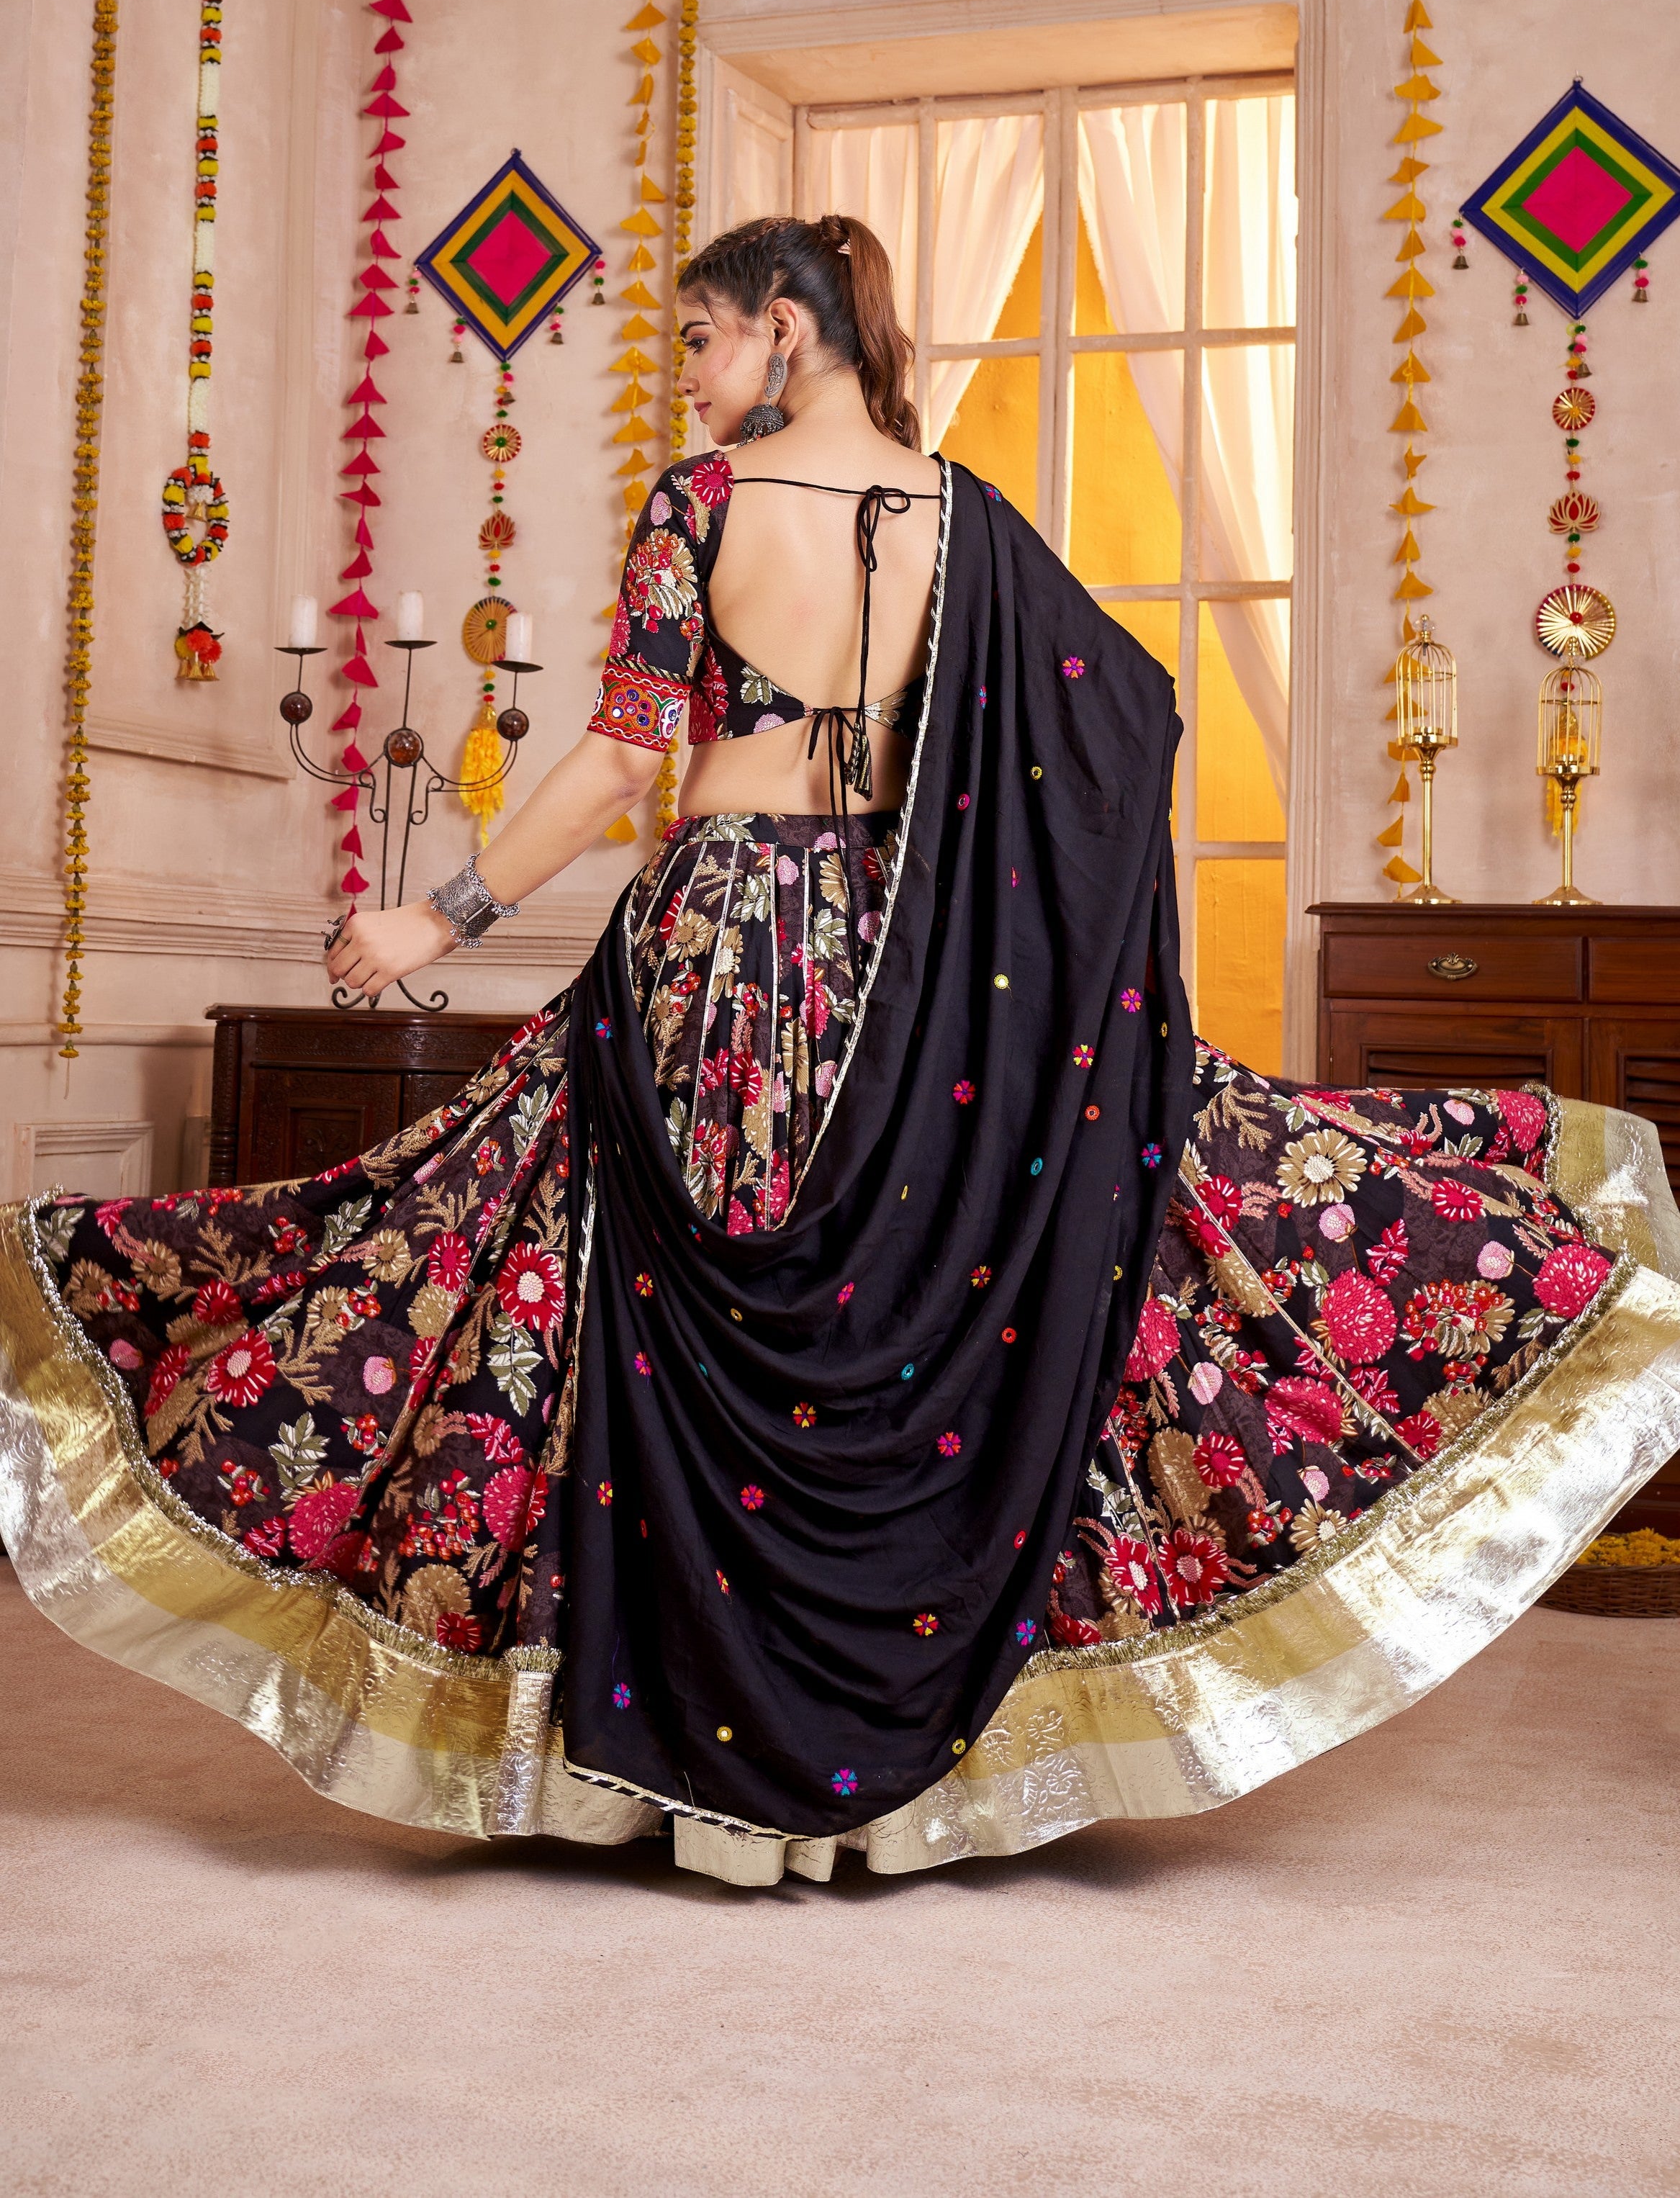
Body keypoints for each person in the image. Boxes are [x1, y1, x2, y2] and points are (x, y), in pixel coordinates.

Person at [3, 215, 1677, 1889]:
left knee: (615, 1304)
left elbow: (615, 765)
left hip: (723, 945)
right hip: (911, 958)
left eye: (706, 338)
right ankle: (865, 1773)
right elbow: (1126, 716)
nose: (696, 374)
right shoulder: (975, 524)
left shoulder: (704, 503)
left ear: (790, 329)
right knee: (873, 1319)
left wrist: (431, 918)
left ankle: (684, 1770)